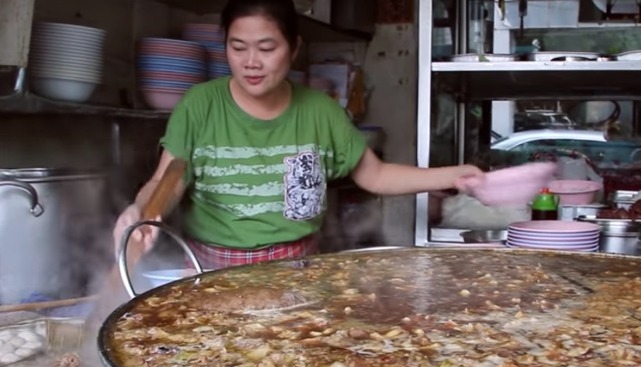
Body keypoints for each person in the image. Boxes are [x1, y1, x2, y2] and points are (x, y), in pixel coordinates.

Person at [113, 0, 482, 269]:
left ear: (294, 49)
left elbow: (375, 174)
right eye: (237, 48)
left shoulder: (320, 111)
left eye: (267, 48)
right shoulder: (199, 105)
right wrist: (143, 210)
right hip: (210, 270)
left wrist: (454, 175)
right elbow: (167, 180)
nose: (251, 62)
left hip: (298, 272)